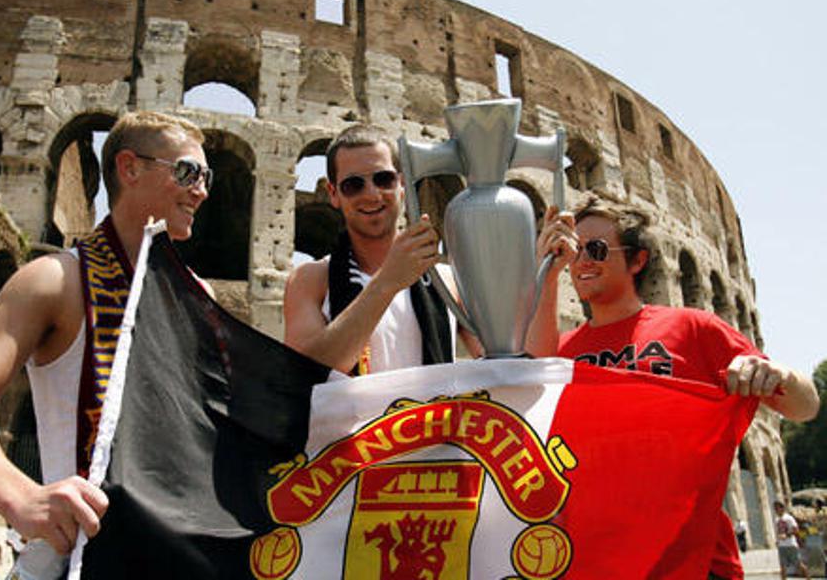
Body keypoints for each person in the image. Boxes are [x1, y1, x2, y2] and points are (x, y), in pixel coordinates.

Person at [0, 111, 214, 569]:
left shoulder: (198, 294)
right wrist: (23, 497)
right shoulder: (53, 280)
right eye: (187, 172)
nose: (201, 190)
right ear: (130, 168)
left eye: (205, 177)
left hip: (177, 550)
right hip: (77, 555)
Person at [533, 193, 820, 579]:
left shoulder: (693, 328)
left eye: (597, 249)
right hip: (598, 565)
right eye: (575, 251)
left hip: (697, 564)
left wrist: (780, 376)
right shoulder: (561, 354)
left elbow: (805, 407)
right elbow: (527, 401)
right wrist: (548, 270)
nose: (582, 261)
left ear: (637, 260)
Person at [284, 124, 484, 375]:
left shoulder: (447, 281)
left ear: (402, 185)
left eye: (383, 179)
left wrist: (538, 270)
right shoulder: (309, 280)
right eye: (354, 185)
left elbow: (507, 361)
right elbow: (303, 373)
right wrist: (387, 281)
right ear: (333, 194)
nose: (372, 195)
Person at [775, 500, 811, 580]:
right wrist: (777, 540)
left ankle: (808, 578)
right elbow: (778, 531)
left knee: (798, 564)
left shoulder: (789, 518)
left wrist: (787, 535)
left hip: (791, 544)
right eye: (775, 508)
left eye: (777, 508)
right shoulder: (777, 519)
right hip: (782, 545)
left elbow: (796, 530)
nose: (776, 510)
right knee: (782, 566)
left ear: (782, 508)